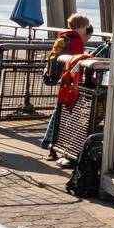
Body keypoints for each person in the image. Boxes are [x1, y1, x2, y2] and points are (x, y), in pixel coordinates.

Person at [41, 14, 94, 158]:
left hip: (63, 80)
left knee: (60, 111)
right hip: (71, 82)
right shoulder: (76, 41)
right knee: (67, 114)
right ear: (81, 27)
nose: (86, 29)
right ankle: (56, 144)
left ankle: (50, 144)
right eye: (85, 27)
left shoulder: (64, 37)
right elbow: (77, 61)